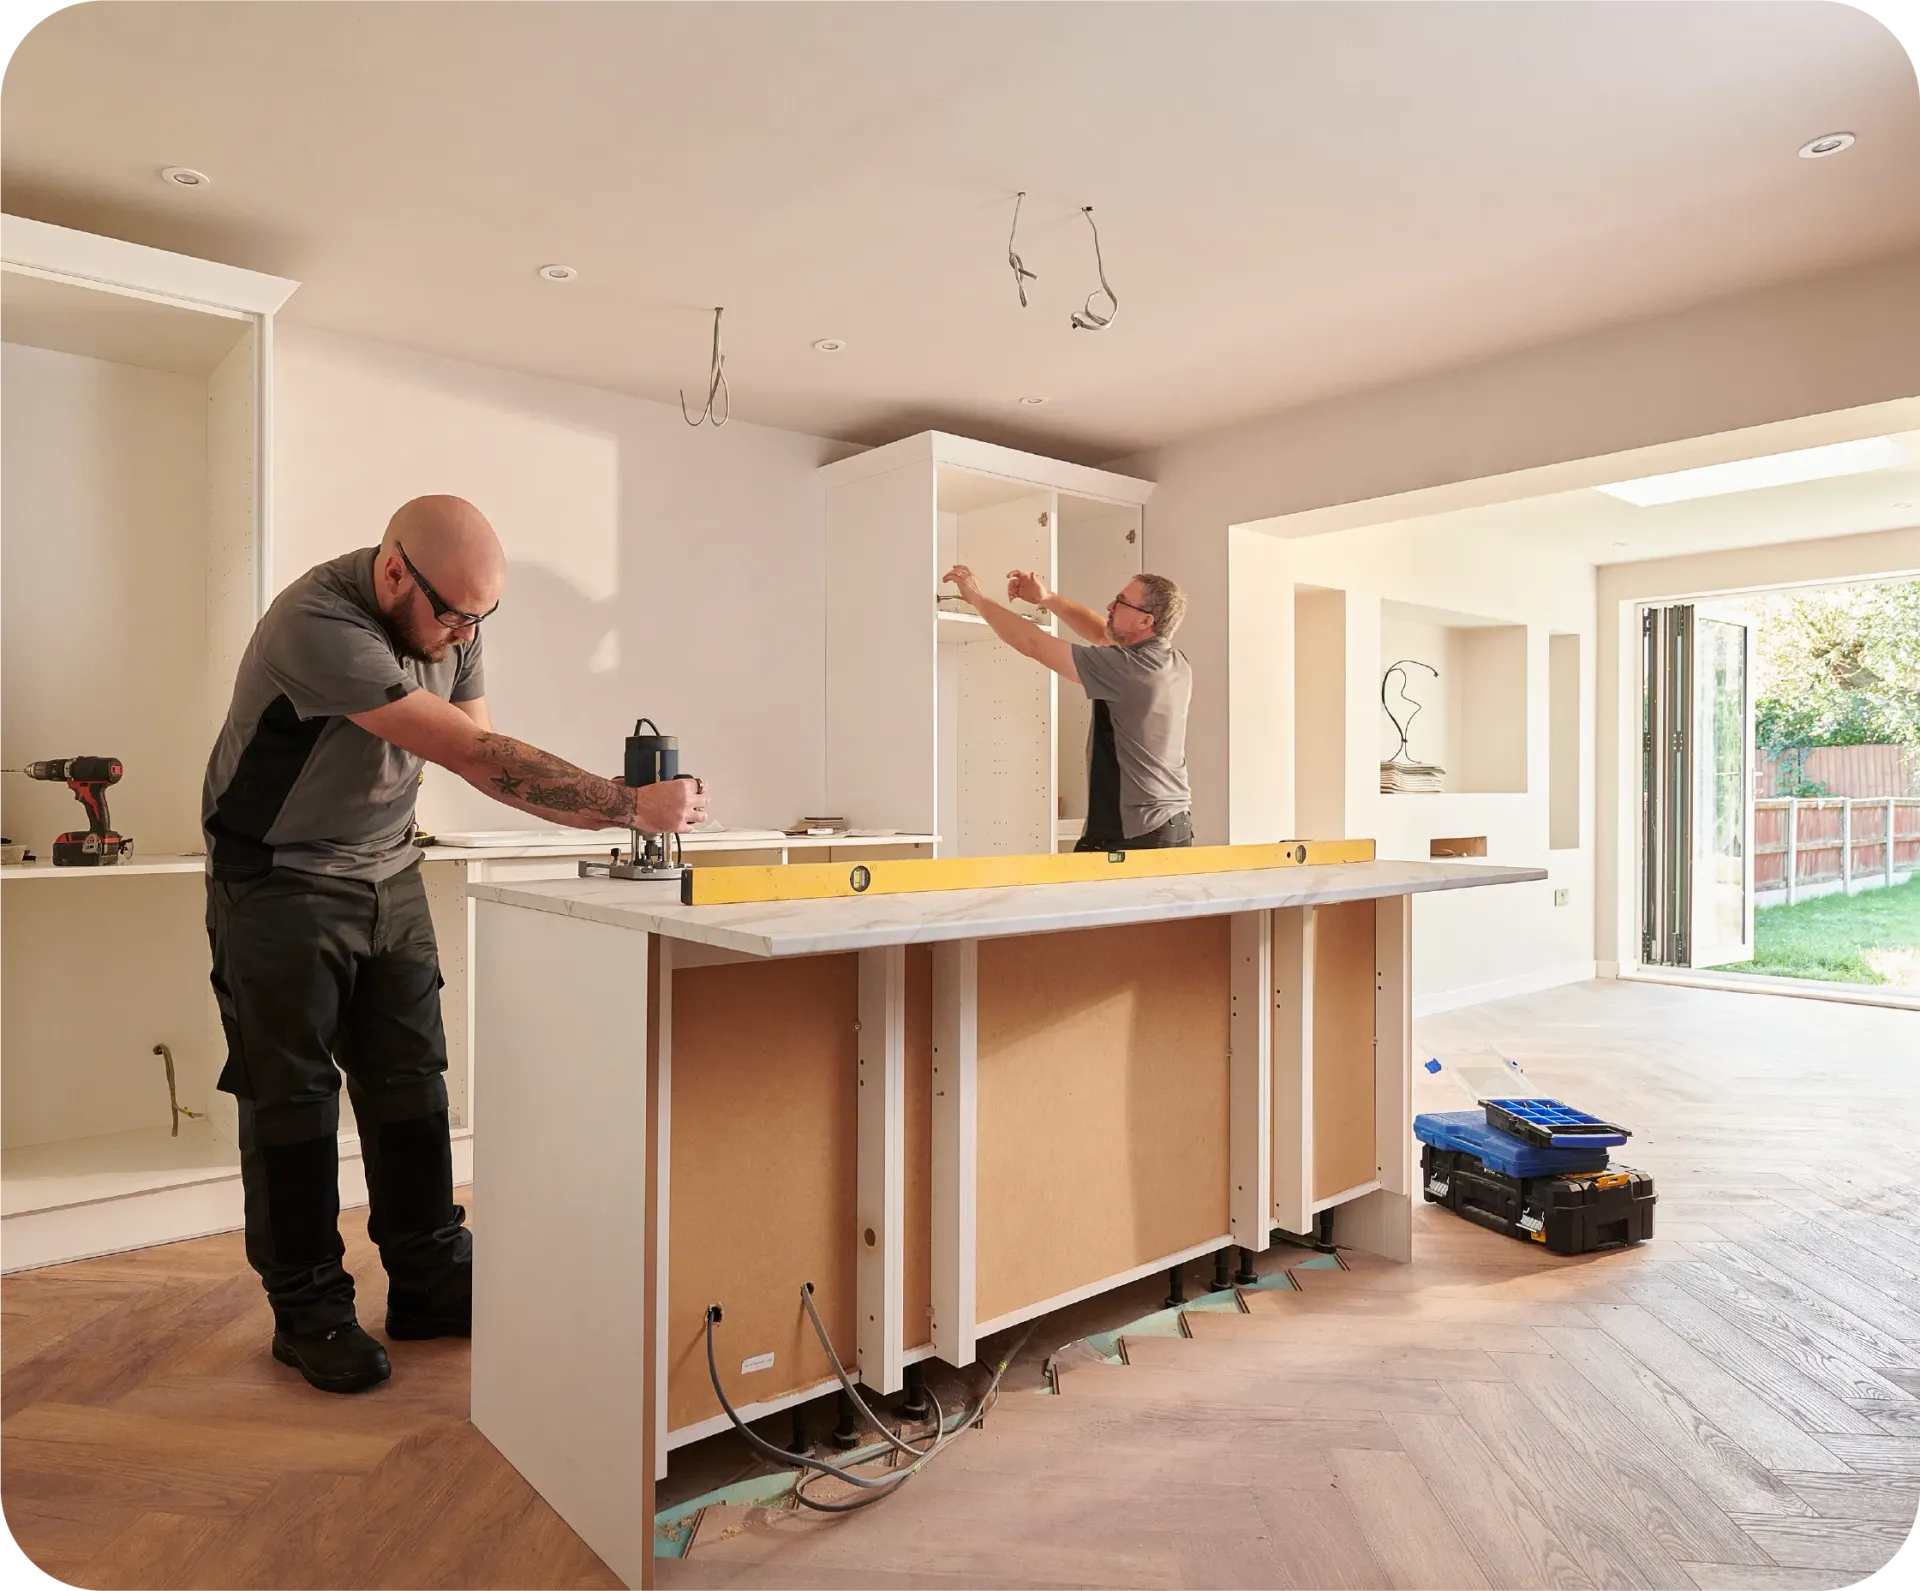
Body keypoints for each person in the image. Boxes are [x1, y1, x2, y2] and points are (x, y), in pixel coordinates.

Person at [201, 495, 707, 1394]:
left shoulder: (455, 618)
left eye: (481, 615)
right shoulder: (315, 622)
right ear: (394, 571)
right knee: (293, 1098)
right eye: (454, 612)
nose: (466, 633)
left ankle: (431, 1281)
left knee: (410, 1080)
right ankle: (308, 1306)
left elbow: (476, 745)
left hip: (388, 869)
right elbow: (472, 754)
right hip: (279, 879)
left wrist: (609, 807)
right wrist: (627, 803)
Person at [940, 564, 1192, 850]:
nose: (1110, 606)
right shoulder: (1171, 660)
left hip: (1135, 832)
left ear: (1145, 621)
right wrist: (1047, 598)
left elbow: (1032, 642)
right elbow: (1100, 631)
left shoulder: (1130, 669)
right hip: (1170, 824)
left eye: (1121, 602)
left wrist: (976, 598)